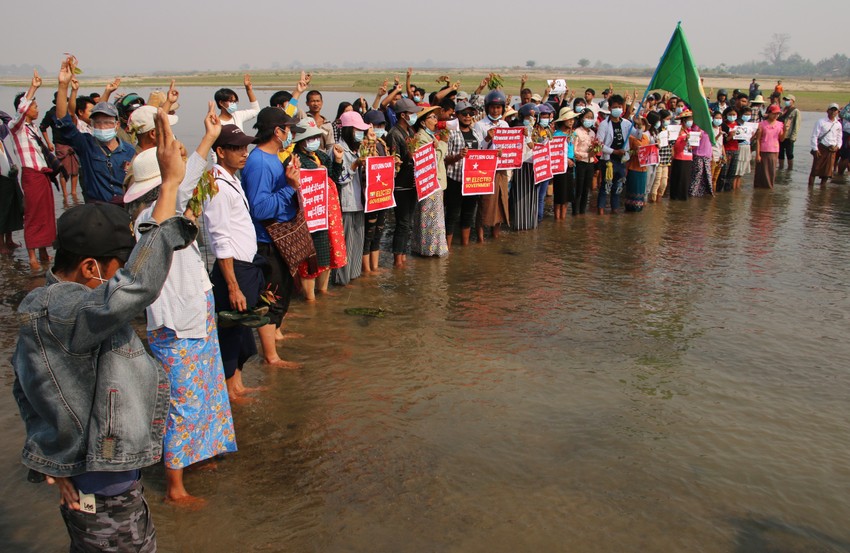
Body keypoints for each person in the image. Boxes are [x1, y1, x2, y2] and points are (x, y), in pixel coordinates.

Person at [12, 107, 192, 552]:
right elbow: (135, 286)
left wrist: (53, 462)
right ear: (92, 268)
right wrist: (169, 185)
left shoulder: (45, 307)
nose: (122, 274)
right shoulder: (70, 309)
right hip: (103, 491)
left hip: (102, 482)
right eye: (116, 267)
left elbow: (26, 391)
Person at [124, 102, 236, 507]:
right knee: (180, 403)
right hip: (174, 323)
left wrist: (208, 136)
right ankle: (175, 488)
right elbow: (181, 187)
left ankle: (198, 454)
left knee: (205, 393)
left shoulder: (164, 209)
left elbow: (186, 183)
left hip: (197, 313)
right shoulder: (146, 223)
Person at [203, 125, 268, 402]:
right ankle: (230, 388)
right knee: (231, 330)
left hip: (245, 264)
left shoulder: (231, 177)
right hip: (234, 268)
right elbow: (220, 239)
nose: (244, 153)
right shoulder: (216, 185)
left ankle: (237, 384)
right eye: (236, 148)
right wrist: (232, 285)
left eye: (245, 148)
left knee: (241, 329)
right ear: (220, 151)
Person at [241, 107, 305, 368]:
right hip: (266, 239)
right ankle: (271, 358)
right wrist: (289, 187)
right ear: (277, 132)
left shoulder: (274, 157)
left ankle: (276, 333)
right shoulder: (258, 162)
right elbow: (259, 208)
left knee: (284, 291)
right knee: (271, 295)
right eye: (288, 129)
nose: (290, 134)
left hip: (279, 236)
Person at [54, 59, 135, 204]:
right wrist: (62, 85)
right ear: (92, 125)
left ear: (116, 125)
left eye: (107, 123)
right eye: (97, 123)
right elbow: (64, 121)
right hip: (96, 211)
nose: (102, 127)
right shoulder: (86, 145)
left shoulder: (129, 151)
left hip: (123, 211)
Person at [290, 119, 346, 298]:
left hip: (328, 214)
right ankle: (310, 299)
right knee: (310, 257)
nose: (315, 140)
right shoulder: (295, 160)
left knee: (326, 253)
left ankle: (322, 291)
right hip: (310, 215)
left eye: (316, 137)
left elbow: (334, 178)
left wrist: (337, 161)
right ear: (301, 141)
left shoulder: (321, 156)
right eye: (310, 137)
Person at [7, 71, 56, 271]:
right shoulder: (15, 126)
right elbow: (20, 112)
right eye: (34, 106)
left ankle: (44, 251)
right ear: (25, 109)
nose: (37, 109)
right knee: (34, 215)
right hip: (31, 175)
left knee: (46, 213)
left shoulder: (33, 128)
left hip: (42, 174)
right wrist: (33, 87)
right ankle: (32, 256)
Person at [334, 110, 370, 281]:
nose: (360, 134)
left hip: (359, 202)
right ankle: (342, 279)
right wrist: (355, 165)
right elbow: (339, 179)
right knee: (346, 244)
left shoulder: (357, 149)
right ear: (348, 130)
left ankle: (354, 277)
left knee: (358, 241)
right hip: (346, 203)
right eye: (357, 130)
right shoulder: (337, 149)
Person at [411, 105, 449, 257]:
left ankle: (428, 248)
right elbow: (431, 162)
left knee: (435, 217)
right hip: (430, 184)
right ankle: (431, 250)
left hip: (436, 183)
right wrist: (443, 144)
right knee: (430, 218)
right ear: (422, 122)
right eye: (432, 117)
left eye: (435, 117)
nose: (435, 120)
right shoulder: (421, 138)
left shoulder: (430, 136)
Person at [385, 98, 420, 267]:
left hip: (412, 182)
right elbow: (394, 162)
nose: (414, 116)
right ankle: (397, 260)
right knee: (403, 223)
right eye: (412, 113)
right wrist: (408, 158)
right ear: (403, 115)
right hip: (401, 184)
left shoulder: (410, 132)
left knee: (409, 223)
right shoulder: (394, 134)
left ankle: (403, 256)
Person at [444, 100, 481, 246]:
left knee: (468, 214)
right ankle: (447, 248)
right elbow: (444, 158)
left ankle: (465, 245)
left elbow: (483, 154)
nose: (468, 116)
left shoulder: (476, 133)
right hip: (455, 179)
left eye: (471, 113)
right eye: (464, 113)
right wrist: (458, 156)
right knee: (452, 214)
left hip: (472, 180)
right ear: (457, 115)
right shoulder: (451, 133)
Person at [475, 90, 511, 240]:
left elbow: (510, 145)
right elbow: (477, 149)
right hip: (486, 170)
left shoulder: (505, 124)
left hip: (502, 169)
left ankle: (496, 235)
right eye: (492, 107)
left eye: (498, 107)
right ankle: (480, 238)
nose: (495, 110)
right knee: (485, 204)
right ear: (487, 108)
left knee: (501, 202)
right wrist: (487, 139)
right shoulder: (480, 125)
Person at [595, 95, 638, 214]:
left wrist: (639, 125)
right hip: (609, 160)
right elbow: (599, 145)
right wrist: (614, 151)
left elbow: (638, 135)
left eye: (620, 107)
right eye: (615, 107)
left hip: (622, 159)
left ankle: (615, 209)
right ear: (609, 108)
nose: (618, 109)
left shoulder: (626, 123)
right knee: (606, 186)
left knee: (618, 187)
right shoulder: (604, 124)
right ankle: (601, 210)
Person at [360, 109, 390, 270]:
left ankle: (375, 267)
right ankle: (366, 270)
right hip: (369, 196)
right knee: (369, 233)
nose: (378, 128)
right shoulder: (364, 144)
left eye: (381, 124)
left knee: (379, 231)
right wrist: (370, 141)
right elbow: (365, 163)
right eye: (375, 125)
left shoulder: (383, 143)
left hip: (383, 195)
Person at [39, 92, 79, 203]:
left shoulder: (69, 112)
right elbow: (43, 127)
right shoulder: (51, 113)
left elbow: (75, 122)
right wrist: (48, 143)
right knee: (64, 170)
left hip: (73, 142)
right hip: (60, 143)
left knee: (75, 170)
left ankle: (74, 193)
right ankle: (65, 195)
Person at [0, 111, 24, 254]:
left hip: (10, 177)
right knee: (2, 212)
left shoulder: (0, 135)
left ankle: (9, 240)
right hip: (1, 180)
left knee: (12, 208)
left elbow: (8, 121)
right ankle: (1, 245)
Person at [551, 107, 578, 219]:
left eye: (573, 119)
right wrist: (566, 160)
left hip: (571, 166)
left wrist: (575, 156)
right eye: (569, 119)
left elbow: (572, 149)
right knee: (559, 195)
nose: (572, 121)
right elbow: (554, 152)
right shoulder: (557, 135)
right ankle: (557, 218)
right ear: (563, 120)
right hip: (560, 167)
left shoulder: (572, 134)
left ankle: (563, 218)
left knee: (567, 195)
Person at [808, 103, 843, 186]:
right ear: (827, 111)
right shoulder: (821, 122)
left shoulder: (838, 124)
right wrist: (815, 149)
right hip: (821, 148)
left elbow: (839, 138)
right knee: (814, 171)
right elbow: (814, 136)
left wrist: (837, 147)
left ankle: (822, 188)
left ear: (838, 112)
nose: (833, 112)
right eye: (832, 110)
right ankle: (810, 190)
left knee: (827, 174)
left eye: (835, 110)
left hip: (831, 150)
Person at [753, 104, 786, 189]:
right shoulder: (762, 124)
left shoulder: (780, 124)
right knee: (761, 171)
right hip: (763, 150)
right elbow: (758, 139)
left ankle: (769, 187)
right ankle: (759, 187)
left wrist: (785, 130)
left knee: (771, 171)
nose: (776, 116)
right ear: (769, 113)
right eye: (774, 113)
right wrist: (757, 154)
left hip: (774, 150)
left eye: (777, 114)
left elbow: (781, 139)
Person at [572, 108, 597, 214]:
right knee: (579, 188)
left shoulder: (592, 133)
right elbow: (574, 151)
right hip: (580, 163)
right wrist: (586, 154)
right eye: (587, 117)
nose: (589, 120)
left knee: (586, 189)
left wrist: (596, 150)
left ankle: (582, 211)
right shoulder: (576, 132)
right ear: (582, 119)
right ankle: (575, 211)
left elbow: (595, 148)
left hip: (590, 163)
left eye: (591, 118)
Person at [624, 117, 651, 211]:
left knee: (641, 191)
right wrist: (635, 152)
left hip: (643, 168)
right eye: (639, 125)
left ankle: (639, 208)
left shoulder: (646, 138)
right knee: (633, 191)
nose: (641, 127)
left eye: (643, 125)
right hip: (634, 167)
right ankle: (631, 209)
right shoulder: (631, 138)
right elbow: (627, 152)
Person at [648, 110, 673, 202]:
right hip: (658, 159)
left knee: (664, 183)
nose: (668, 121)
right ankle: (653, 200)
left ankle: (659, 200)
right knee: (657, 181)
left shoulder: (668, 130)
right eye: (667, 119)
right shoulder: (655, 131)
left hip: (666, 159)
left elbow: (671, 144)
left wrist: (671, 137)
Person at [669, 112, 694, 201]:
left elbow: (691, 146)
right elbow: (676, 146)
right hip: (680, 158)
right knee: (679, 182)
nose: (691, 122)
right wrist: (684, 140)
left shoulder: (688, 131)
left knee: (685, 182)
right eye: (689, 120)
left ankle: (682, 202)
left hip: (688, 158)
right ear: (684, 121)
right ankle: (676, 200)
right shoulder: (678, 131)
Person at [688, 118, 714, 198]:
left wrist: (712, 155)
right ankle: (692, 192)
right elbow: (692, 140)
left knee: (707, 175)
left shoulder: (710, 128)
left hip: (707, 155)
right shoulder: (696, 127)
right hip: (698, 154)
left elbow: (711, 142)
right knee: (697, 174)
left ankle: (703, 193)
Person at [777, 94, 800, 171]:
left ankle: (790, 168)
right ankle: (781, 167)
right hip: (781, 134)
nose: (786, 102)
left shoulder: (795, 111)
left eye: (788, 100)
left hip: (789, 136)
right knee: (780, 153)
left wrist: (793, 137)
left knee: (789, 153)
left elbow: (797, 125)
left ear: (792, 101)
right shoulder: (783, 110)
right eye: (786, 100)